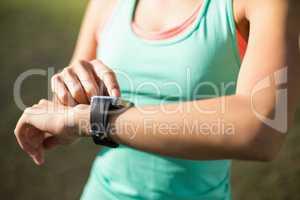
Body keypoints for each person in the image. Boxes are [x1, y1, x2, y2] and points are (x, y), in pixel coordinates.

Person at [14, 0, 300, 199]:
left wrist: (93, 120)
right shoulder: (106, 3)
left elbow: (262, 128)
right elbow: (68, 109)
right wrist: (68, 97)